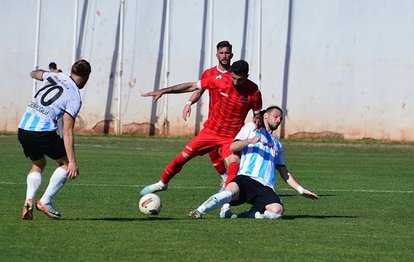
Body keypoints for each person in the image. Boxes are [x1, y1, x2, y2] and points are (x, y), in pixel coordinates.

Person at [140, 60, 262, 198]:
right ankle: (162, 184)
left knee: (234, 167)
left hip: (231, 137)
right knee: (181, 158)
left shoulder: (254, 91)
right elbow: (192, 86)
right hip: (210, 132)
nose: (235, 82)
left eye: (239, 79)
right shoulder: (220, 80)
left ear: (247, 76)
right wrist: (164, 91)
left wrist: (258, 119)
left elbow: (257, 114)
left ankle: (225, 207)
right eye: (233, 78)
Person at [189, 106, 319, 219]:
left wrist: (301, 190)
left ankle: (252, 214)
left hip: (266, 187)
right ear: (266, 116)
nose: (278, 120)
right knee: (229, 192)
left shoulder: (277, 144)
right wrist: (248, 141)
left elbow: (284, 172)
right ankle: (199, 211)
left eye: (281, 118)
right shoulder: (251, 128)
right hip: (246, 178)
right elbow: (233, 147)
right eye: (276, 116)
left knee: (277, 211)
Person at [19, 59, 91, 220]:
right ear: (86, 77)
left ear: (72, 71)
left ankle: (29, 199)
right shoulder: (75, 97)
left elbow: (34, 73)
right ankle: (45, 201)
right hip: (42, 131)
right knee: (66, 165)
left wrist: (49, 73)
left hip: (23, 128)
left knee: (38, 164)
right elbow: (67, 131)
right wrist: (72, 161)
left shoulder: (54, 76)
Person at [182, 40, 233, 186]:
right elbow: (199, 90)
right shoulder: (209, 73)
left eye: (227, 53)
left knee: (233, 154)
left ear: (231, 55)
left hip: (231, 124)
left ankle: (236, 182)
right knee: (212, 152)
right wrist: (188, 103)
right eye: (221, 53)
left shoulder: (235, 74)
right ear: (217, 55)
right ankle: (225, 179)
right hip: (214, 122)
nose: (224, 56)